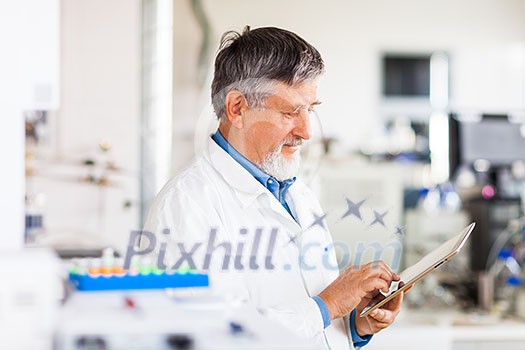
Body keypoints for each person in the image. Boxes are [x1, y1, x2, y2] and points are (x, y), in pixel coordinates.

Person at [144, 26, 403, 349]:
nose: (307, 130)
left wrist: (356, 323)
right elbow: (205, 337)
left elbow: (313, 318)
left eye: (310, 109)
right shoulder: (188, 203)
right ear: (237, 108)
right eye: (290, 111)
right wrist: (326, 306)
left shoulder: (296, 193)